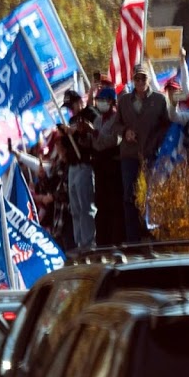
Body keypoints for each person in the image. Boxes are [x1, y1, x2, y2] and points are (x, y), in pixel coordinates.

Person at [116, 64, 170, 243]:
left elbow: (166, 125)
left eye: (143, 78)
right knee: (129, 197)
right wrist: (125, 132)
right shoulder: (124, 101)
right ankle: (133, 239)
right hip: (129, 155)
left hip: (150, 155)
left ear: (148, 80)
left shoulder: (159, 100)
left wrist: (156, 141)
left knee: (151, 196)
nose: (139, 82)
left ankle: (152, 236)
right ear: (133, 80)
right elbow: (116, 125)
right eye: (136, 78)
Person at [60, 91, 98, 253]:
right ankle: (79, 241)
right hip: (73, 166)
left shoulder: (90, 113)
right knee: (75, 207)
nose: (71, 110)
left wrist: (75, 130)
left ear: (79, 102)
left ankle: (89, 243)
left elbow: (94, 130)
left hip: (84, 164)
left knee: (85, 206)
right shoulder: (70, 120)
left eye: (72, 105)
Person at [90, 86, 124, 245]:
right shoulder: (97, 120)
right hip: (100, 165)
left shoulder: (117, 118)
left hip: (113, 164)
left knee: (114, 205)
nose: (101, 103)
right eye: (99, 100)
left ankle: (116, 241)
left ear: (111, 102)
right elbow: (94, 144)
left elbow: (115, 139)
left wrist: (97, 134)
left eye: (104, 100)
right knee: (101, 204)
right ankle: (102, 242)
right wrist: (87, 134)